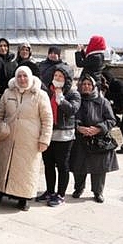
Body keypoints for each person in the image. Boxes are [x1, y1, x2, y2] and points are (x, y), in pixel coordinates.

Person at [0, 66, 53, 211]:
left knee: (26, 170)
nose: (22, 79)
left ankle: (23, 198)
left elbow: (47, 119)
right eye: (19, 76)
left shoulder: (40, 95)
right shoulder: (8, 93)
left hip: (29, 140)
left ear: (30, 77)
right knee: (4, 166)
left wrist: (44, 139)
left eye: (25, 76)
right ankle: (0, 191)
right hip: (7, 138)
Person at [70, 74, 119, 202]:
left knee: (99, 168)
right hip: (80, 139)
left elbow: (112, 120)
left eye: (89, 84)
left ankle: (98, 191)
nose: (86, 87)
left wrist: (98, 128)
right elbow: (69, 117)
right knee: (79, 166)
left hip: (98, 140)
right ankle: (79, 188)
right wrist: (79, 127)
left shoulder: (102, 102)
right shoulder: (76, 100)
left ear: (93, 86)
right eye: (84, 84)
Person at [36, 66, 81, 207]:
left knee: (62, 166)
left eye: (60, 76)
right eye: (55, 76)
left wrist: (60, 97)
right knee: (48, 164)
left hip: (64, 136)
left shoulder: (73, 94)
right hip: (49, 134)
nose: (57, 78)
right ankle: (49, 191)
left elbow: (71, 110)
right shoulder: (47, 93)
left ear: (66, 79)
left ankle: (60, 194)